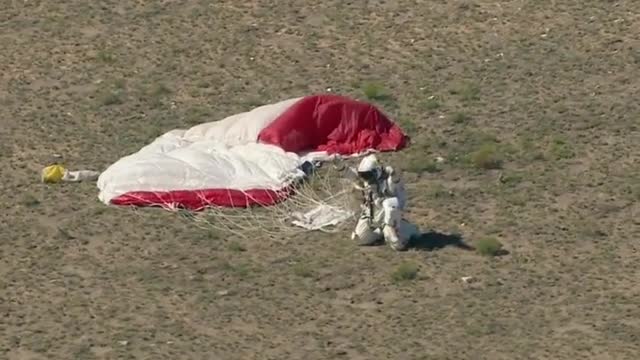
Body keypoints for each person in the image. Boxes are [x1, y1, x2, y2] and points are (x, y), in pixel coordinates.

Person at [350, 154, 418, 251]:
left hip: (389, 214)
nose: (366, 178)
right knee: (358, 238)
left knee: (396, 244)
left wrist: (393, 173)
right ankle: (381, 233)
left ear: (376, 171)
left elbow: (396, 182)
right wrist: (339, 165)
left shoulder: (388, 181)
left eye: (368, 175)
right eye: (364, 175)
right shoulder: (367, 182)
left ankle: (405, 230)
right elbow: (353, 176)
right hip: (372, 216)